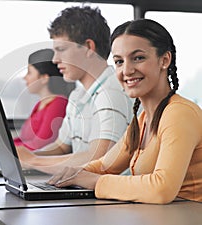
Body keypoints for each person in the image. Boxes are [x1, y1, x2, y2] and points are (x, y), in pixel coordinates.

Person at [48, 18, 202, 204]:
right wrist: (72, 175)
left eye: (138, 58)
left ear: (164, 60)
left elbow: (162, 189)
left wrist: (94, 181)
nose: (126, 70)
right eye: (119, 62)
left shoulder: (179, 113)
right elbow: (106, 165)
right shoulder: (144, 119)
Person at [17, 6, 133, 174]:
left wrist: (34, 161)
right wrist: (25, 158)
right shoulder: (77, 95)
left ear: (88, 47)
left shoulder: (111, 92)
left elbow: (98, 158)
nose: (55, 60)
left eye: (61, 50)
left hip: (110, 194)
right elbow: (62, 146)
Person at [0, 48, 75, 152]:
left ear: (44, 78)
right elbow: (24, 140)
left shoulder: (59, 104)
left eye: (29, 73)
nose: (25, 78)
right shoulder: (40, 104)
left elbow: (39, 145)